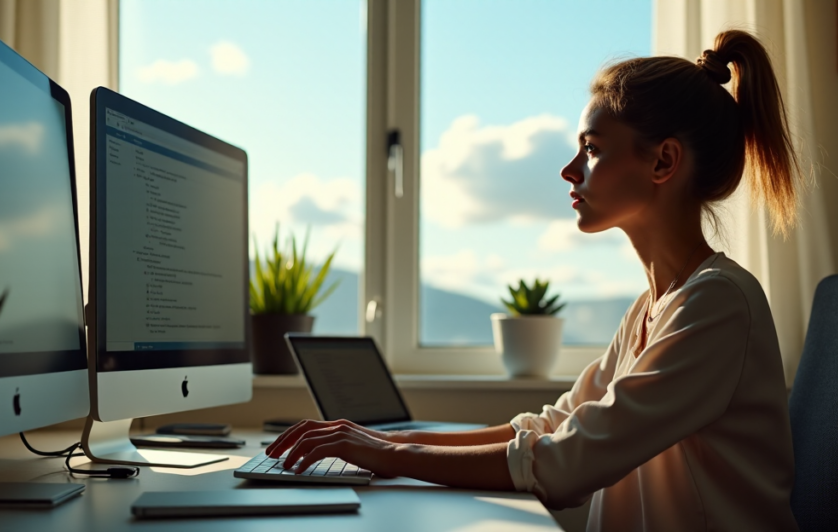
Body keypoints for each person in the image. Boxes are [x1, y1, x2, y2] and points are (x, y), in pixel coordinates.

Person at [266, 29, 800, 531]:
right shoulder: (653, 306)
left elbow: (564, 463)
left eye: (591, 149)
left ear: (663, 161)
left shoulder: (716, 304)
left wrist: (390, 454)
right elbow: (551, 426)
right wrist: (382, 440)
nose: (570, 170)